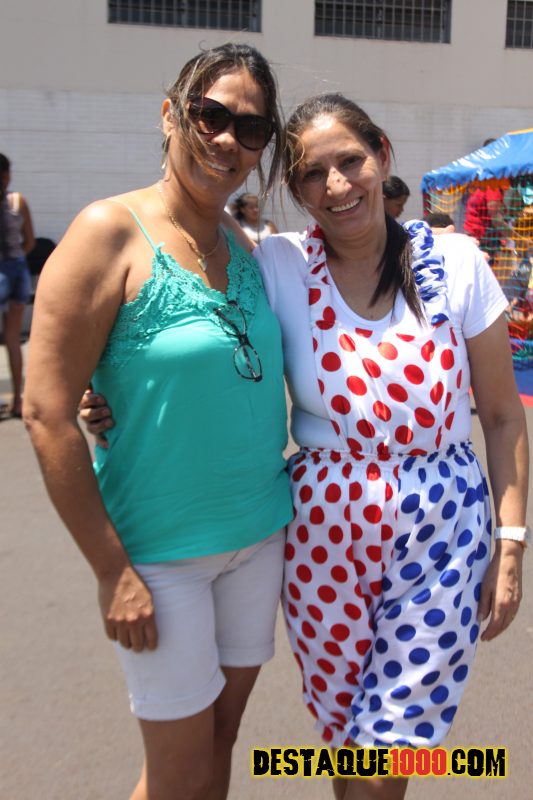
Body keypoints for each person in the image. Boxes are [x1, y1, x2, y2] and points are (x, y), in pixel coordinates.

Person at [82, 93, 529, 800]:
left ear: (382, 154)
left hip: (442, 533)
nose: (336, 185)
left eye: (350, 161)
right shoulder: (277, 264)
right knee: (346, 737)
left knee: (390, 750)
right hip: (323, 535)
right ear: (293, 190)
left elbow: (502, 416)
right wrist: (114, 394)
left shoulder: (456, 261)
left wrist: (510, 545)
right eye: (312, 174)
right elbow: (188, 316)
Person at [23, 43, 293, 800]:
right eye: (212, 115)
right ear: (171, 114)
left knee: (217, 746)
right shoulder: (107, 230)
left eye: (251, 128)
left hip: (258, 537)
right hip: (159, 558)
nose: (229, 140)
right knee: (178, 773)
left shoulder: (243, 245)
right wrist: (112, 571)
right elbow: (45, 411)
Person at [0, 153, 35, 418]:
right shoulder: (15, 201)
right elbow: (29, 241)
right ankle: (16, 401)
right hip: (15, 271)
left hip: (8, 272)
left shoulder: (15, 201)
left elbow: (30, 240)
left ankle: (15, 401)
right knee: (13, 339)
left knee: (12, 339)